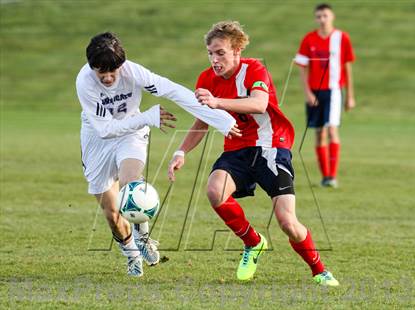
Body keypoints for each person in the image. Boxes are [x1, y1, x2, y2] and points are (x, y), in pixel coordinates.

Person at [168, 21, 339, 286]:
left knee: (287, 222)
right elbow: (202, 121)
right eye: (211, 53)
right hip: (236, 150)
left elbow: (259, 104)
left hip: (271, 147)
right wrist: (181, 152)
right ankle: (253, 243)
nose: (215, 59)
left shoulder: (254, 69)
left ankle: (319, 270)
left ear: (237, 51)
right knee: (215, 191)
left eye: (221, 53)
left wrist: (217, 102)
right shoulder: (206, 79)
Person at [76, 32, 239, 277]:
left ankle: (143, 238)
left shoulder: (132, 72)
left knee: (131, 186)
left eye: (114, 71)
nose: (108, 78)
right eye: (102, 73)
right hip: (97, 140)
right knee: (111, 213)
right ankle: (131, 253)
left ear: (122, 65)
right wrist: (147, 117)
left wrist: (220, 118)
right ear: (92, 68)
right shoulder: (85, 82)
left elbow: (173, 91)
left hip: (131, 134)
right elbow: (105, 129)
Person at [295, 3, 356, 188]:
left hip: (334, 91)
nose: (322, 19)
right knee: (319, 132)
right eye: (319, 16)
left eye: (325, 16)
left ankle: (332, 176)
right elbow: (302, 68)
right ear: (316, 18)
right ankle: (325, 176)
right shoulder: (309, 39)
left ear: (332, 17)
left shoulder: (341, 38)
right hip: (315, 92)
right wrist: (307, 93)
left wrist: (350, 96)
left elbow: (347, 67)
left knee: (332, 130)